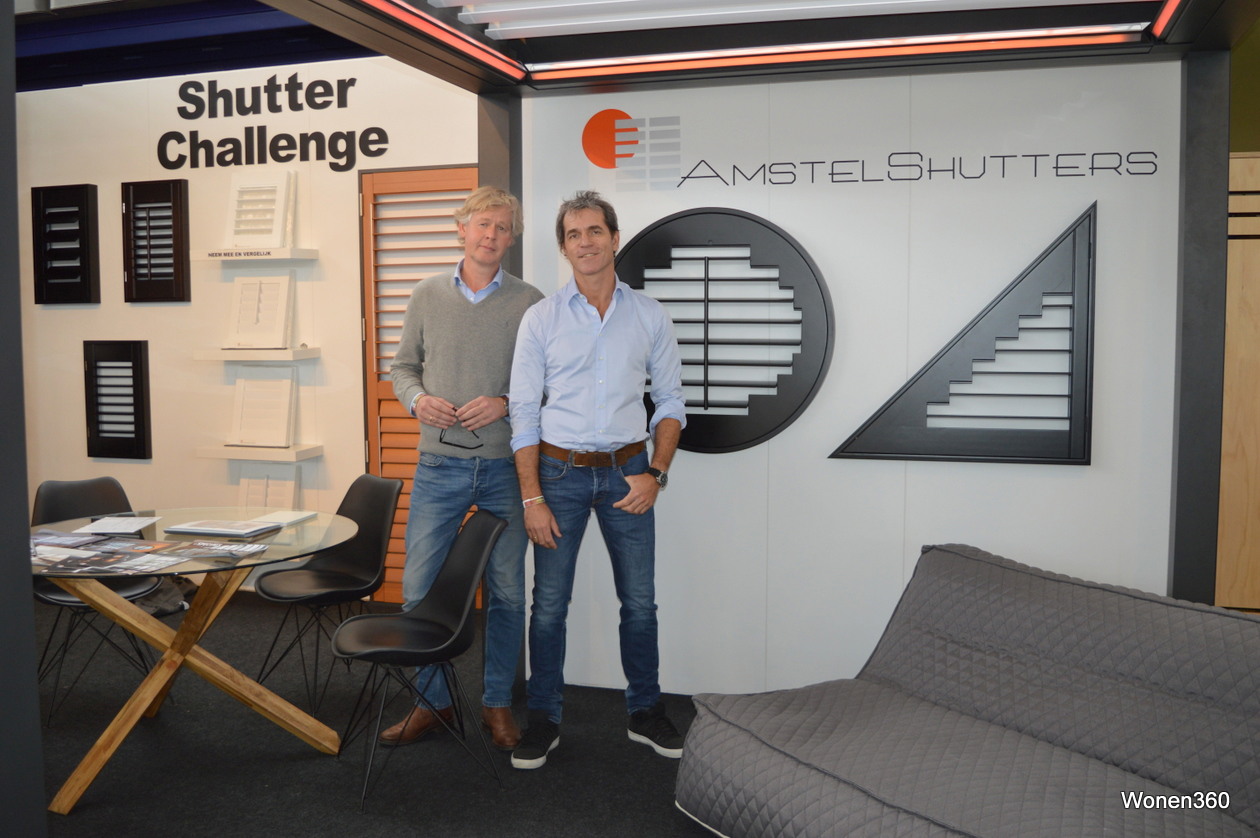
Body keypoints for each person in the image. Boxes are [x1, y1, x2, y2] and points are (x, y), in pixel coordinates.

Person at [507, 190, 687, 770]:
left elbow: (670, 402)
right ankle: (544, 718)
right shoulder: (541, 319)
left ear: (614, 238)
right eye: (573, 235)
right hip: (556, 475)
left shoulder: (649, 314)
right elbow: (523, 413)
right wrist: (531, 497)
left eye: (594, 231)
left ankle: (645, 711)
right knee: (548, 606)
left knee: (640, 604)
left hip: (629, 475)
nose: (584, 242)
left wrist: (656, 473)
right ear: (563, 248)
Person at [384, 186, 543, 751]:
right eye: (482, 224)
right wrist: (417, 400)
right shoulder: (426, 294)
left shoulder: (530, 302)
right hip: (438, 466)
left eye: (502, 227)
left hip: (505, 468)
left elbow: (547, 384)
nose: (491, 235)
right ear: (462, 229)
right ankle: (433, 702)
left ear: (511, 237)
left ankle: (497, 704)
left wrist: (504, 402)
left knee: (507, 593)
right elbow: (403, 368)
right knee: (417, 588)